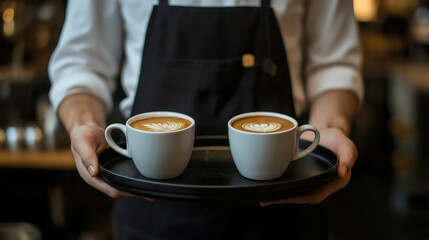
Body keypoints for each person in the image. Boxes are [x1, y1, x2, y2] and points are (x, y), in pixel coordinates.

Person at [49, 0, 363, 239]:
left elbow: (334, 65)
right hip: (151, 214)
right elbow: (81, 65)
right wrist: (84, 124)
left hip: (284, 211)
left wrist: (327, 129)